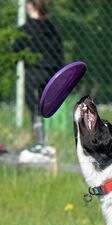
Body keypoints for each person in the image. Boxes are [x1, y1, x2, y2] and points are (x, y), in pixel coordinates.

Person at [13, 0, 64, 160]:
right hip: (50, 72)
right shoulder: (52, 28)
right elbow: (59, 52)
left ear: (30, 6)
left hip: (33, 71)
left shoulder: (25, 29)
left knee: (33, 106)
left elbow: (16, 50)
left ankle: (39, 141)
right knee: (42, 107)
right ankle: (41, 141)